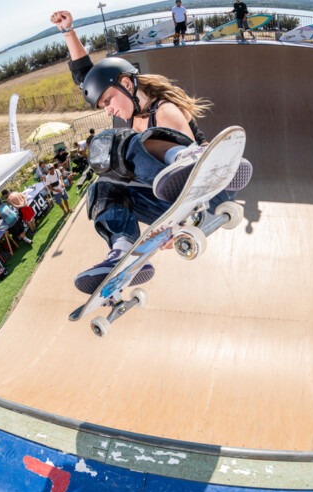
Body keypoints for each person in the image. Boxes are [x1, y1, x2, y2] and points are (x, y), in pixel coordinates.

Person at [50, 9, 252, 294]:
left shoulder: (166, 111)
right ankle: (121, 251)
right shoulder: (128, 110)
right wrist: (68, 32)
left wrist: (177, 222)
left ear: (127, 83)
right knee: (103, 188)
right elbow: (88, 79)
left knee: (117, 143)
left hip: (208, 187)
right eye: (103, 106)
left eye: (109, 101)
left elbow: (192, 187)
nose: (109, 109)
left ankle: (187, 158)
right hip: (170, 198)